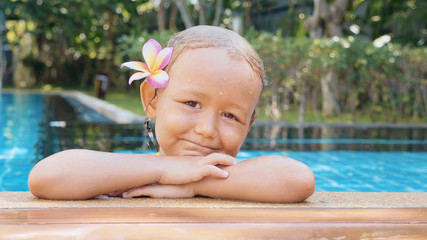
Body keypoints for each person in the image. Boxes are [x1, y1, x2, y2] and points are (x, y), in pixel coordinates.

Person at [28, 26, 315, 203]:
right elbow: (47, 176)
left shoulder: (237, 179)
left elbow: (297, 179)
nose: (207, 129)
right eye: (192, 103)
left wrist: (193, 184)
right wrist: (164, 170)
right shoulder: (127, 173)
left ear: (249, 125)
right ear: (151, 99)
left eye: (231, 116)